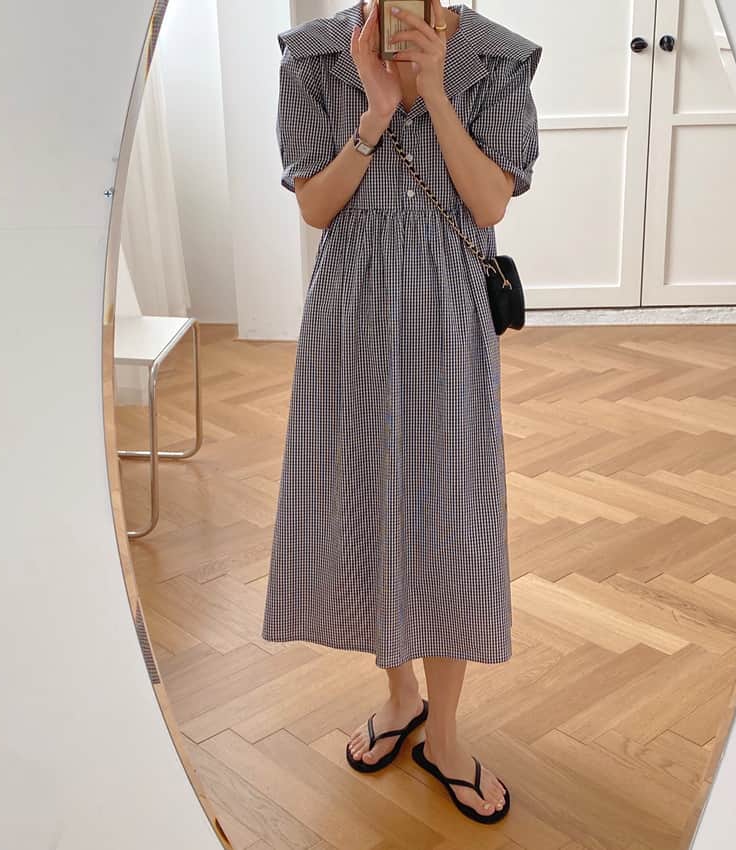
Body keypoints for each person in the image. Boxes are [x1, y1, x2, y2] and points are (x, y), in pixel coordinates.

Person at [261, 0, 541, 824]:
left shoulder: (496, 59)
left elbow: (488, 205)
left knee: (450, 515)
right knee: (363, 501)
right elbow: (316, 208)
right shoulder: (313, 57)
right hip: (349, 306)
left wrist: (438, 93)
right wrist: (377, 110)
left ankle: (444, 733)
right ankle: (399, 695)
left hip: (449, 305)